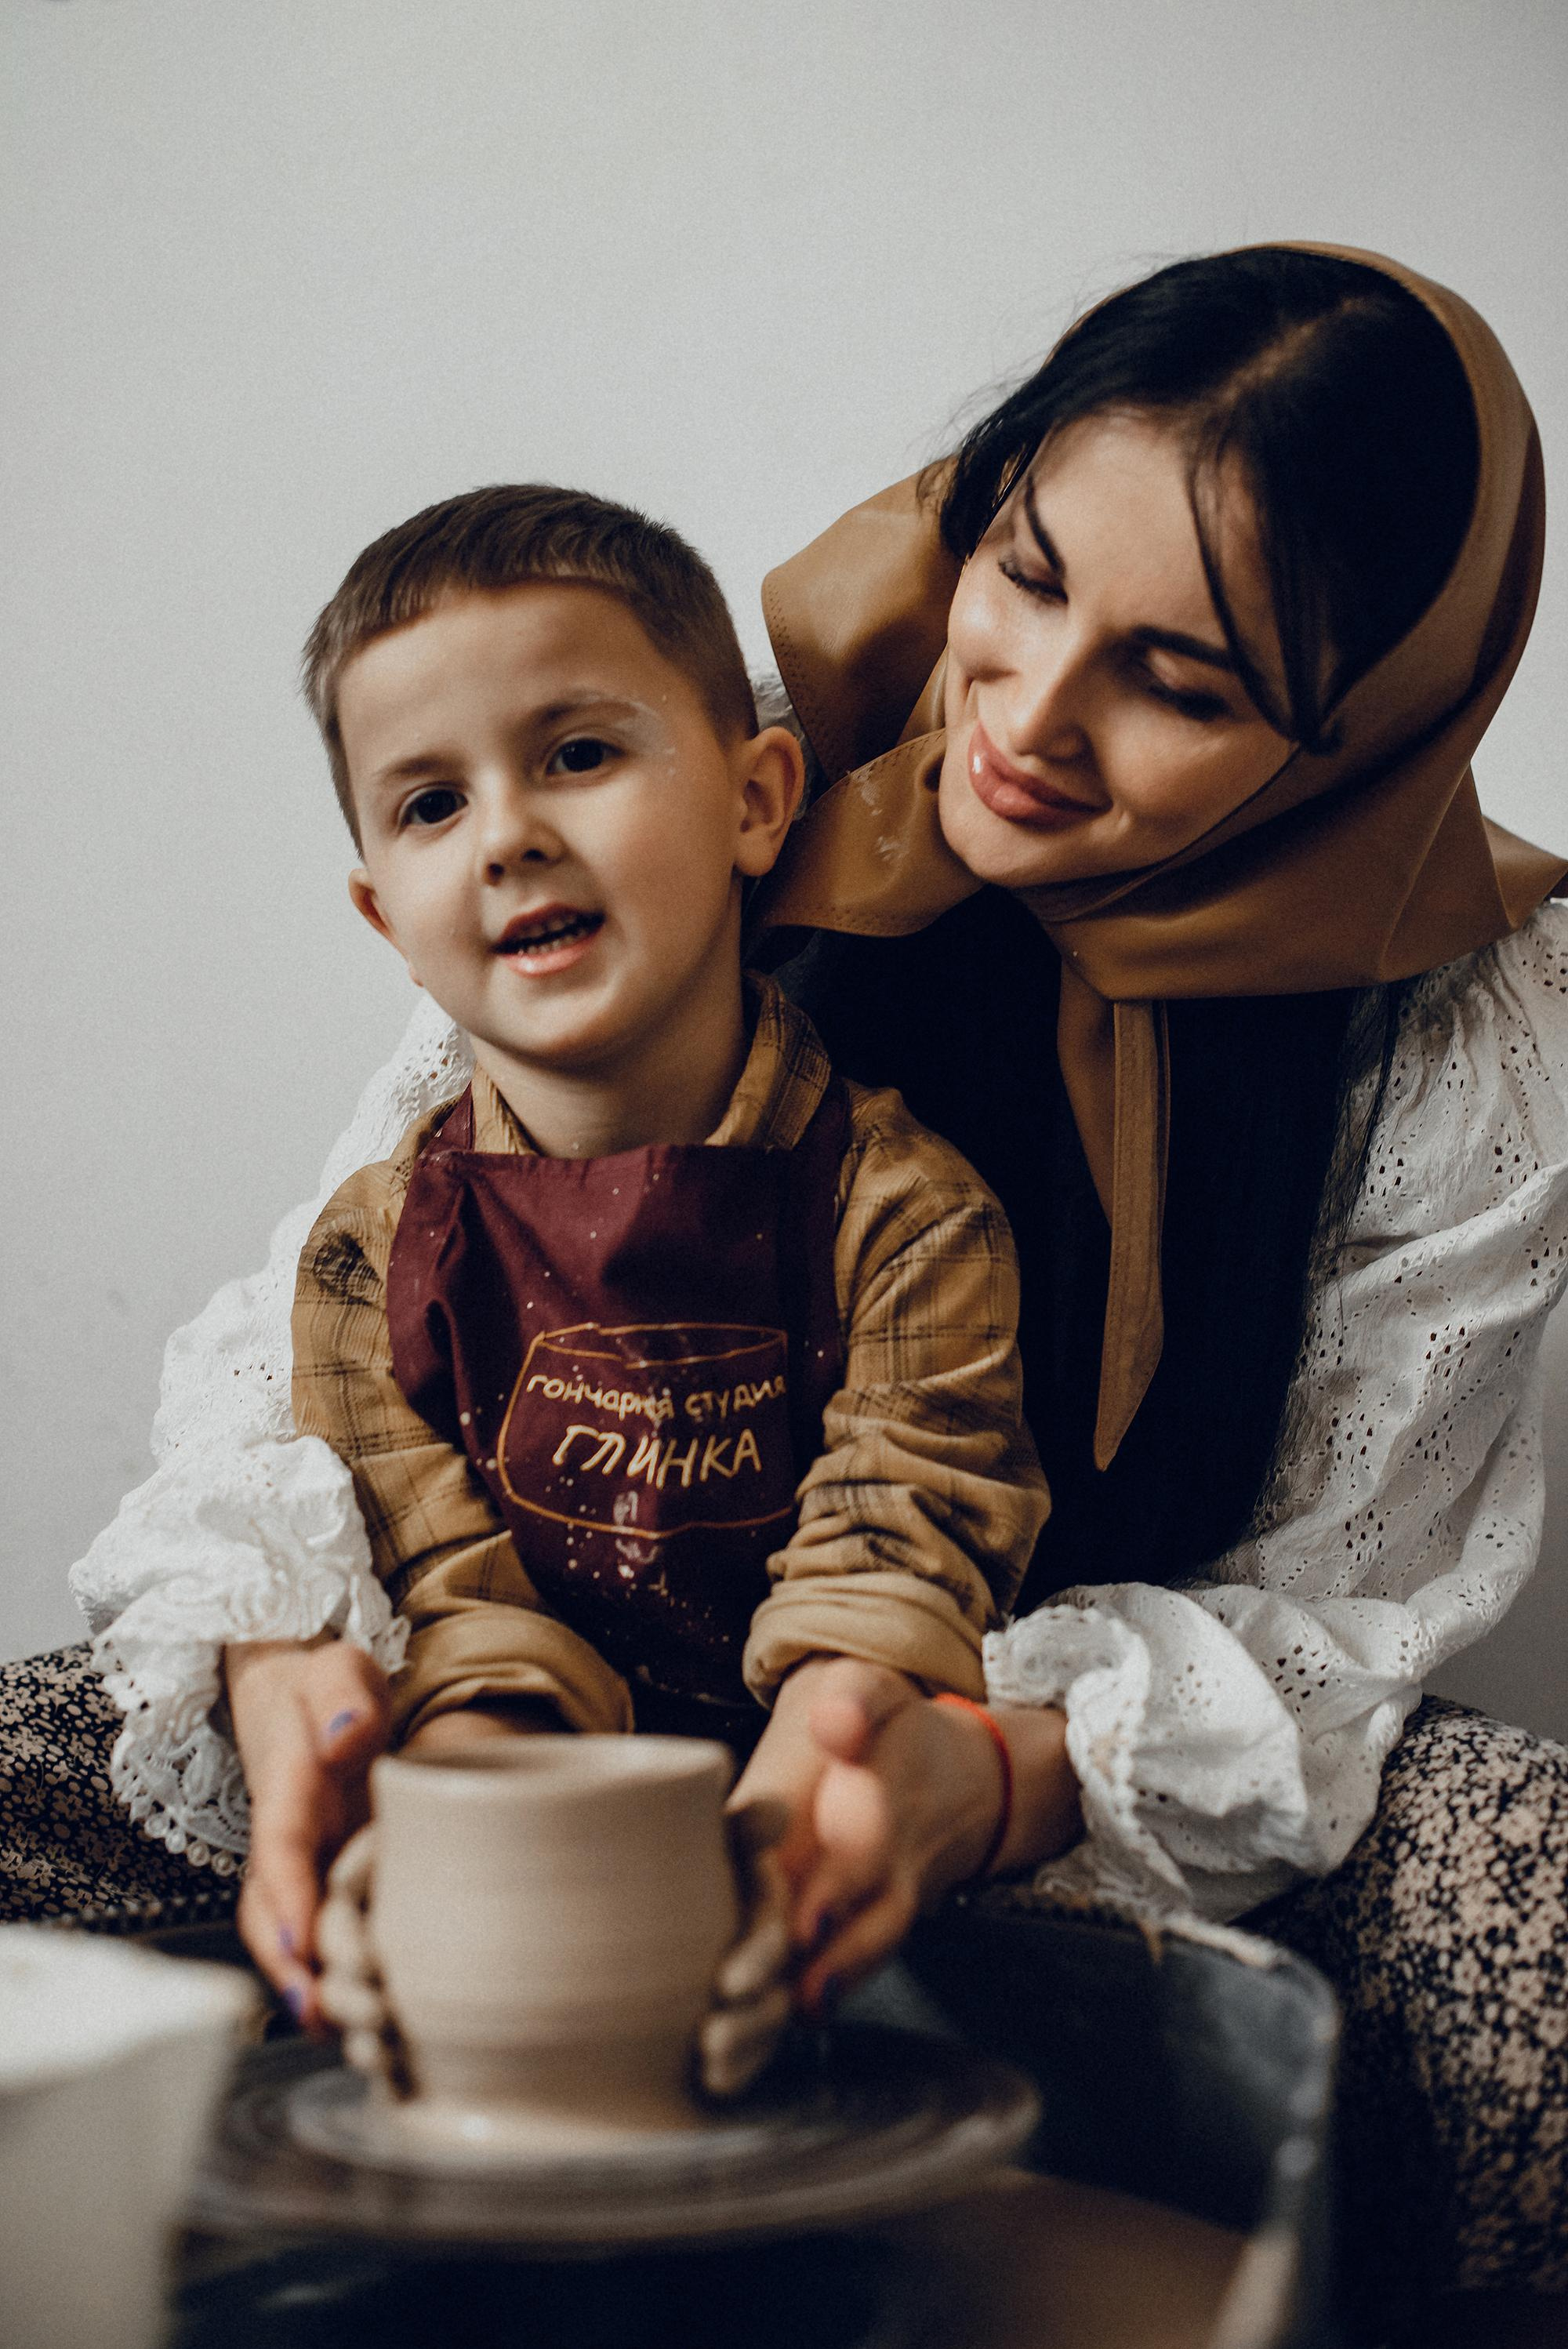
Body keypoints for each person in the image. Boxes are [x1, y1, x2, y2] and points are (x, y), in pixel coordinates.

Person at [11, 241, 1565, 2323]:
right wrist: (300, 1683)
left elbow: (1330, 1617)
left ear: (1356, 726)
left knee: (1536, 1911)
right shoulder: (700, 776)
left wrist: (954, 1773)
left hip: (1000, 1797)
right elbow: (336, 1311)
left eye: (1179, 686)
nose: (1023, 714)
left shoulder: (1464, 1025)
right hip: (506, 1742)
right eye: (1020, 576)